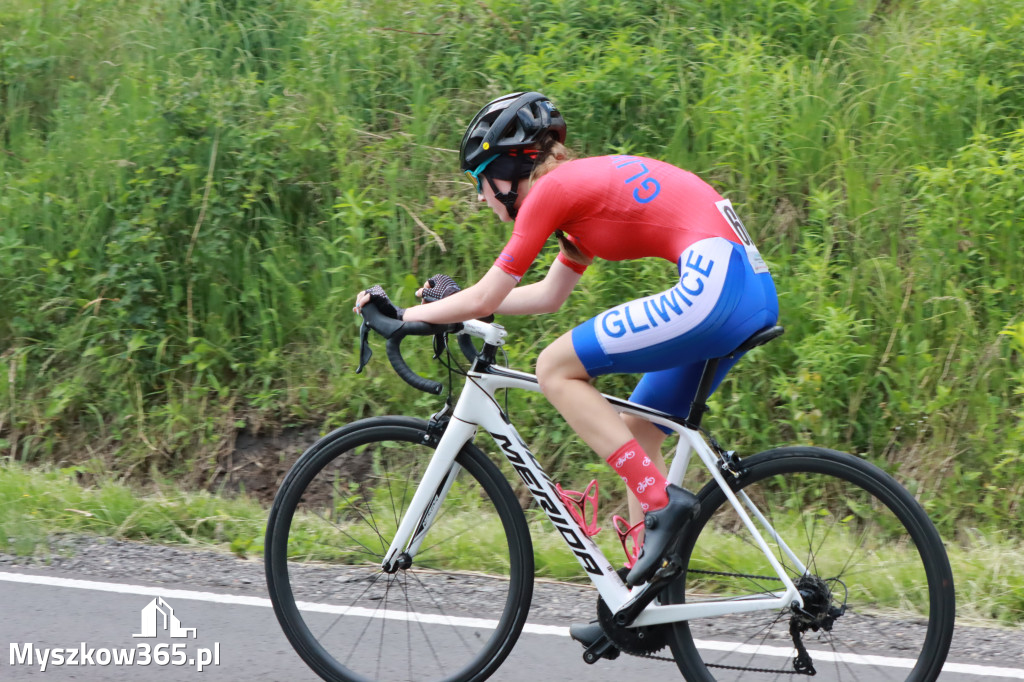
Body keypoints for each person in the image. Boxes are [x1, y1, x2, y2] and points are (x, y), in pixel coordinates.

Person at [353, 90, 778, 639]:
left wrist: (407, 315)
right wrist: (447, 308)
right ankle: (640, 602)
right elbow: (550, 294)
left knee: (555, 367)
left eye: (478, 181)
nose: (481, 198)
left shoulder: (550, 192)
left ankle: (660, 503)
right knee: (640, 424)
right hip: (748, 288)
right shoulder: (577, 198)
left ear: (506, 170)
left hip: (715, 284)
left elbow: (484, 297)